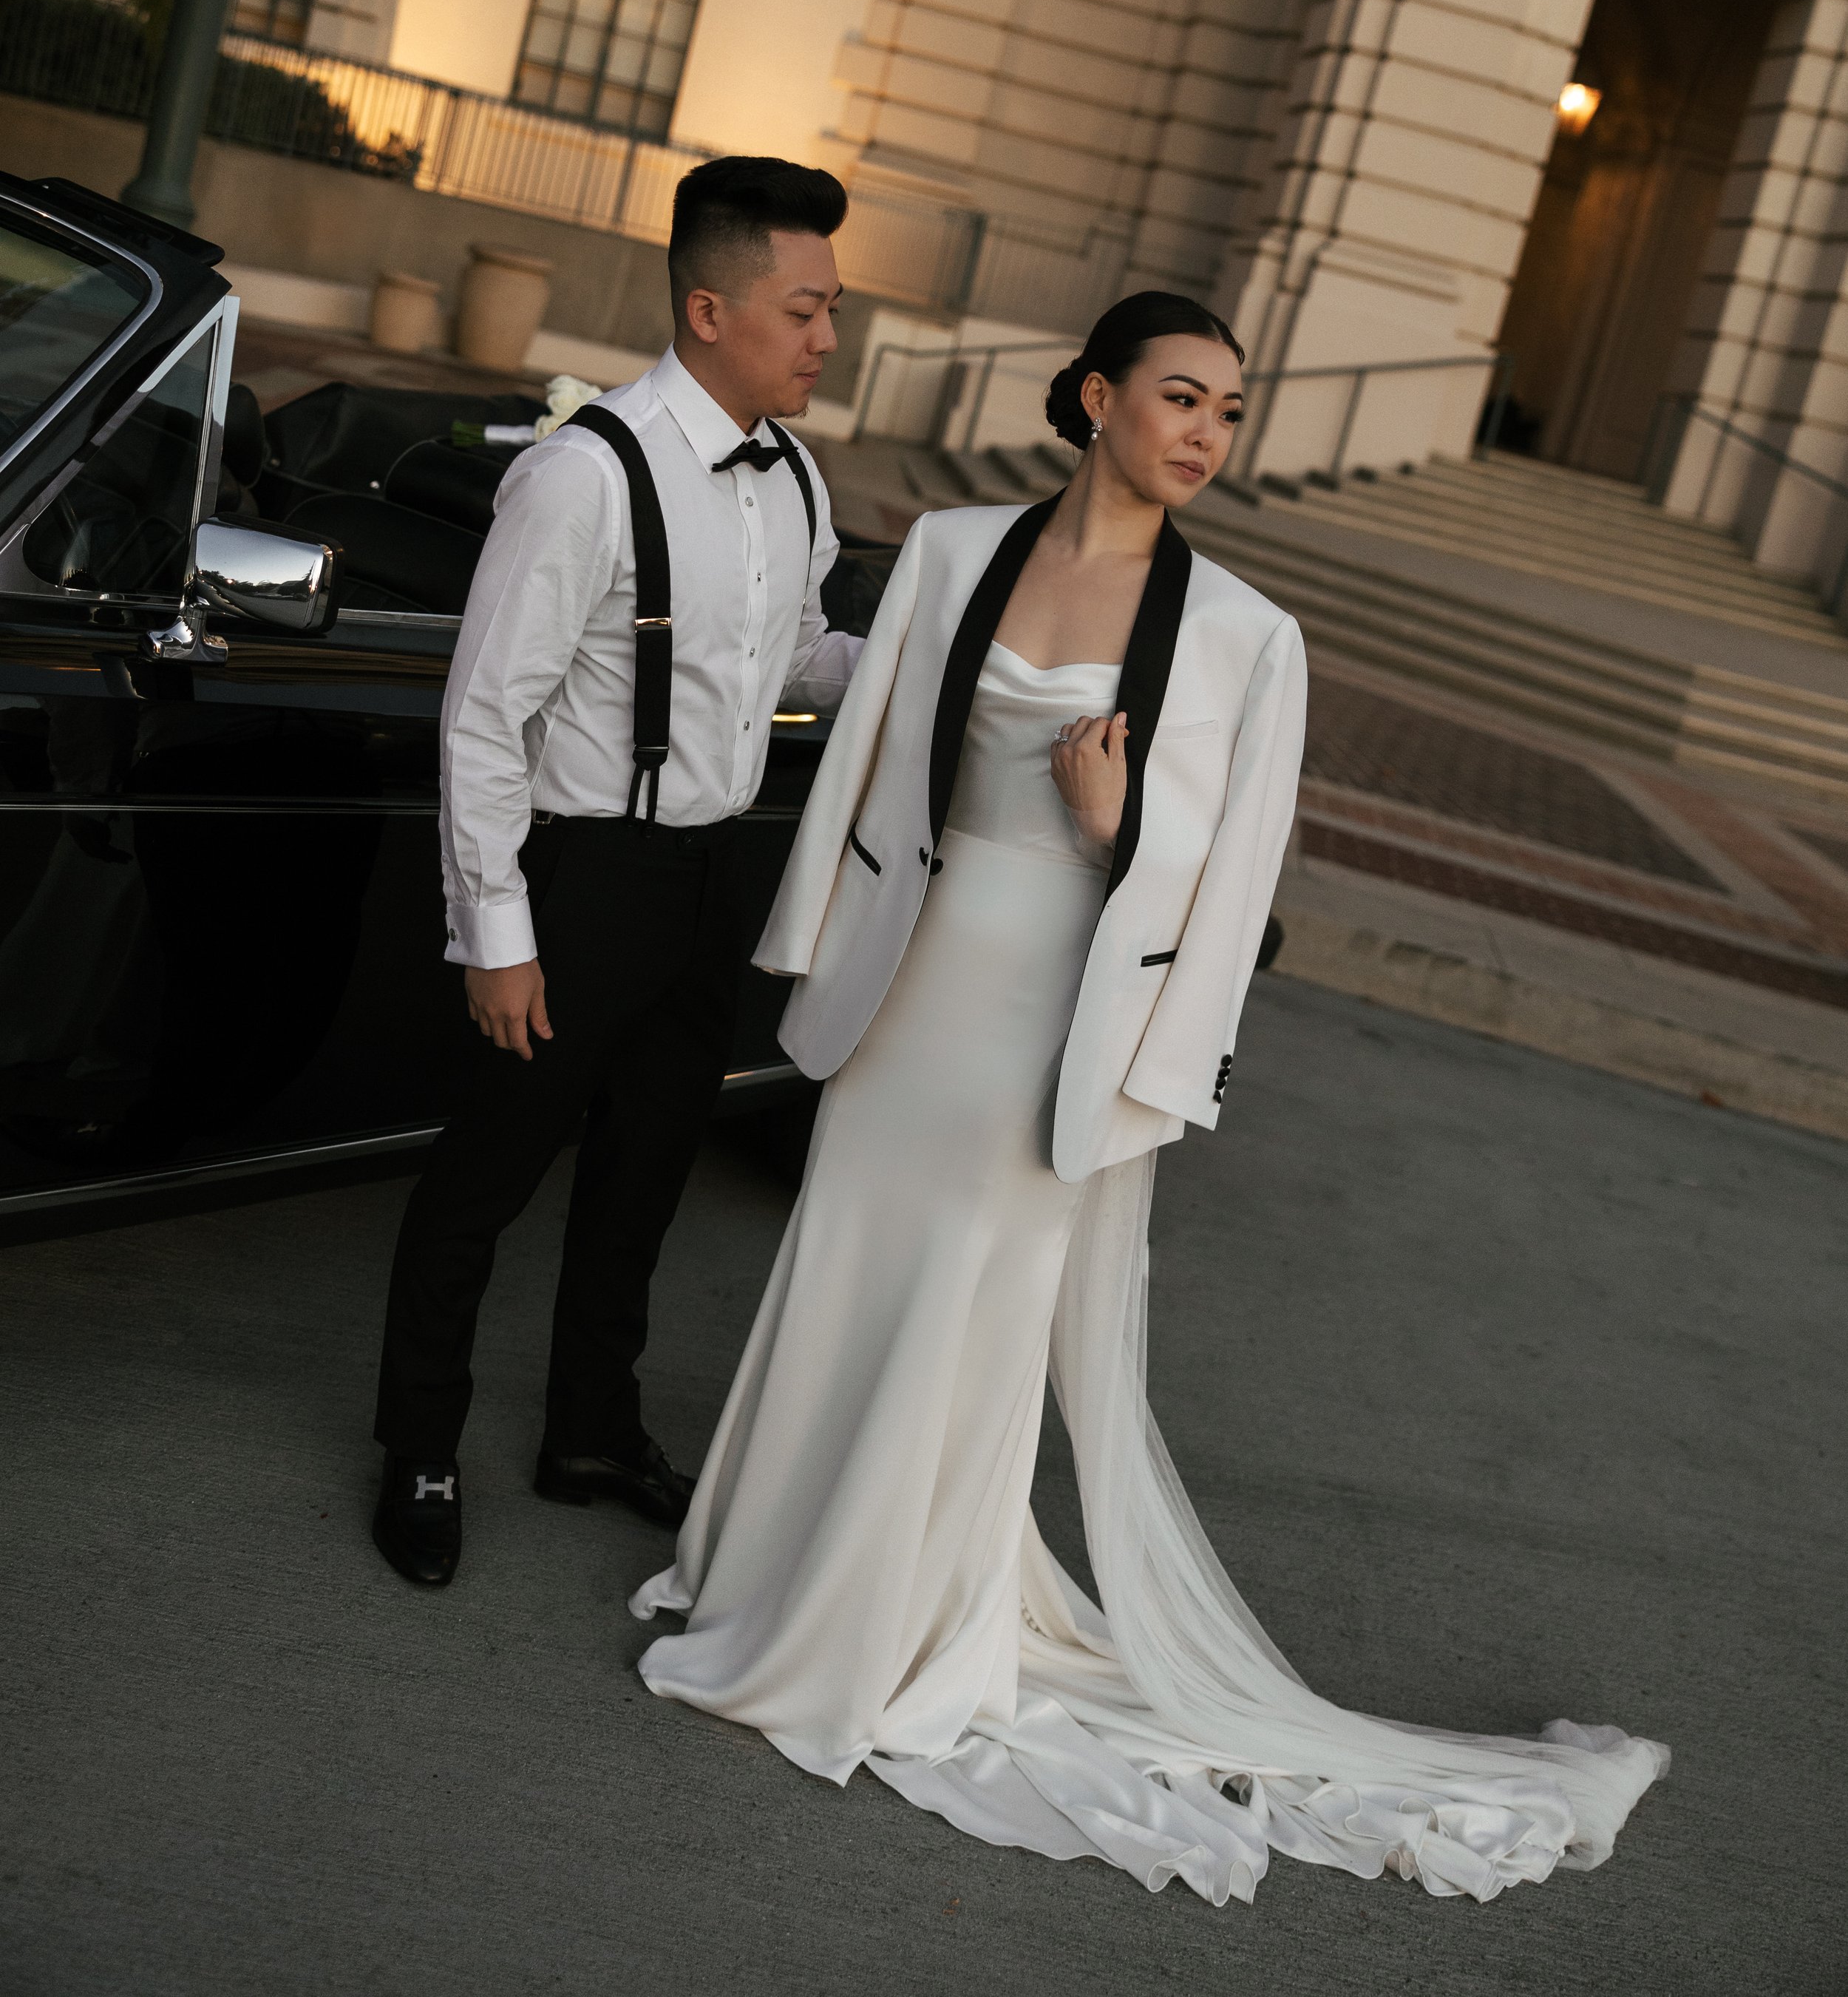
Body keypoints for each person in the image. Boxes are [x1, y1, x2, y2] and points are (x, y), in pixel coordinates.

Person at [630, 291, 1667, 1908]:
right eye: (1178, 397)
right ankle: (770, 1575)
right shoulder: (956, 550)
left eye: (1227, 413)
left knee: (972, 1308)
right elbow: (867, 768)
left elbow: (1236, 884)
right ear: (1094, 397)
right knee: (849, 1262)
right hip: (912, 987)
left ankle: (887, 1625)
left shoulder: (1249, 636)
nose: (1203, 432)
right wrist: (805, 947)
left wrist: (1119, 832)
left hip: (1059, 1012)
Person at [370, 157, 864, 1588]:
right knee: (485, 1178)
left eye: (831, 310)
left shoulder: (794, 482)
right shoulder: (583, 476)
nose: (826, 339)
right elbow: (482, 715)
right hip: (580, 876)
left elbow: (799, 665)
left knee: (645, 1172)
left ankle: (590, 1429)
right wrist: (498, 935)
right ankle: (418, 1443)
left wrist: (912, 661)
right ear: (708, 308)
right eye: (804, 310)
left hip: (708, 884)